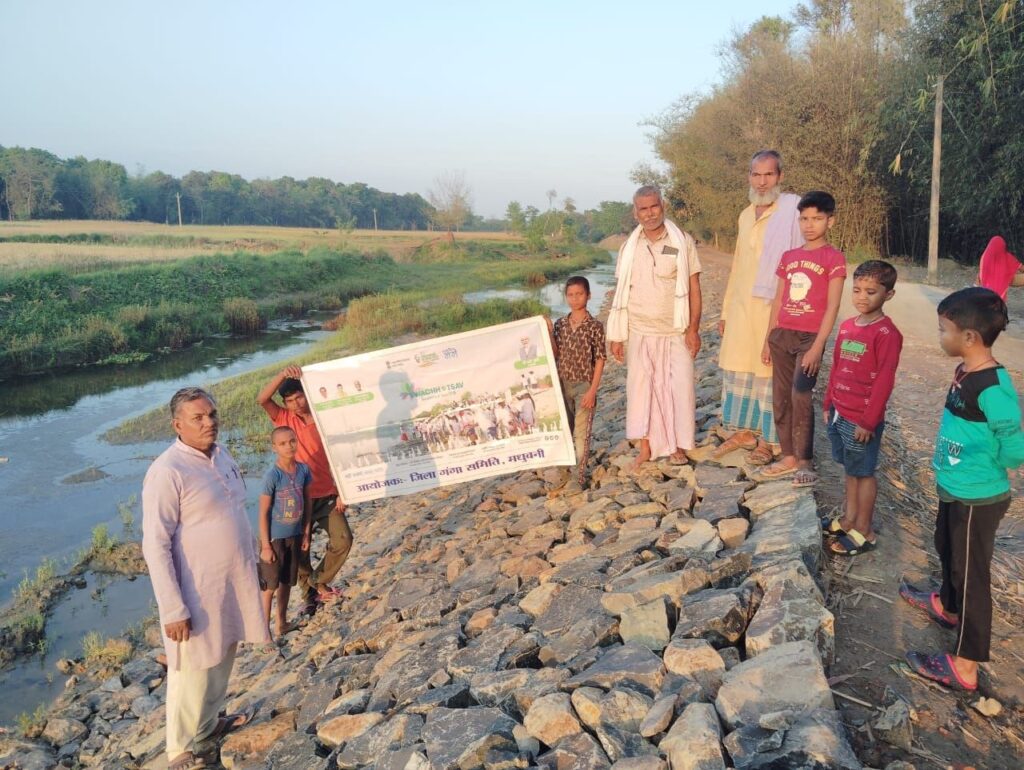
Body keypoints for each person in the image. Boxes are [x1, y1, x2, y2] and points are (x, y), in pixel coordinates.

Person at [901, 287, 1024, 691]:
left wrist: (994, 463)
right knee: (947, 547)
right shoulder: (965, 371)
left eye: (943, 330)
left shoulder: (992, 386)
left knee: (971, 575)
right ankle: (947, 605)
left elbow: (1014, 446)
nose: (939, 336)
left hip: (978, 496)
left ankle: (966, 664)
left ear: (969, 337)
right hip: (953, 486)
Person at [142, 387, 267, 770]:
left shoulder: (222, 454)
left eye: (211, 414)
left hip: (232, 580)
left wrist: (255, 558)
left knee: (223, 653)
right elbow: (155, 545)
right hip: (194, 591)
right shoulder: (167, 471)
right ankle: (178, 748)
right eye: (198, 417)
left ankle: (209, 727)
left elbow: (235, 510)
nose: (209, 422)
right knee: (191, 667)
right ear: (177, 424)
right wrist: (173, 608)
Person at [715, 150, 803, 465]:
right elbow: (738, 264)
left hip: (773, 305)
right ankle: (746, 432)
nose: (762, 181)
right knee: (741, 365)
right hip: (741, 306)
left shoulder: (792, 212)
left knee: (770, 371)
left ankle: (770, 440)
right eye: (756, 175)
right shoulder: (744, 214)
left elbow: (798, 265)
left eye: (768, 175)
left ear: (779, 176)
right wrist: (726, 311)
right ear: (749, 177)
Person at [607, 185, 702, 467]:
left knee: (679, 388)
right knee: (642, 390)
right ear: (635, 213)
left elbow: (694, 288)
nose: (649, 214)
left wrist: (694, 329)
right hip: (639, 330)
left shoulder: (681, 242)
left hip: (675, 329)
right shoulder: (629, 247)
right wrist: (617, 336)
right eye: (643, 209)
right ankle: (646, 446)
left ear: (663, 206)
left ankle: (677, 446)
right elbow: (621, 290)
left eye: (653, 207)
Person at [760, 191, 846, 486]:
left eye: (817, 219)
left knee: (801, 394)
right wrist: (767, 338)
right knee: (781, 397)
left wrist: (818, 346)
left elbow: (833, 305)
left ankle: (805, 460)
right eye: (804, 219)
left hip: (810, 338)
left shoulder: (833, 258)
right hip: (782, 334)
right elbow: (779, 299)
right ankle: (788, 455)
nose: (809, 225)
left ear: (830, 221)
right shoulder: (789, 257)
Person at [821, 261, 903, 555]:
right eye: (856, 290)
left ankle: (865, 531)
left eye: (871, 291)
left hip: (861, 420)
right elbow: (837, 367)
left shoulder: (886, 334)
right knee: (851, 469)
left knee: (864, 472)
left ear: (888, 294)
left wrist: (869, 421)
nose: (862, 297)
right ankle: (849, 518)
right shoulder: (846, 327)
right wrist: (829, 401)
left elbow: (884, 379)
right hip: (840, 413)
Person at [257, 367, 352, 614]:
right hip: (297, 497)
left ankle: (317, 581)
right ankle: (310, 595)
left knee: (343, 539)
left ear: (307, 394)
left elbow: (341, 455)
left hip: (328, 494)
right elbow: (262, 399)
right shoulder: (283, 419)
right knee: (301, 551)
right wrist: (281, 374)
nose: (296, 404)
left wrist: (344, 490)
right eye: (289, 401)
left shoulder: (324, 417)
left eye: (299, 397)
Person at [551, 276, 607, 490]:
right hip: (563, 384)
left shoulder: (594, 326)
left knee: (581, 434)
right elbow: (555, 352)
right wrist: (547, 330)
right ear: (566, 297)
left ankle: (578, 478)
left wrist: (593, 390)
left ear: (588, 295)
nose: (575, 299)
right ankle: (564, 474)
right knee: (565, 430)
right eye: (571, 295)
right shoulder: (561, 324)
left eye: (579, 294)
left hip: (584, 385)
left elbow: (600, 358)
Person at [258, 426, 312, 638]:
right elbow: (262, 513)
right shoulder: (273, 475)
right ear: (274, 448)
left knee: (287, 581)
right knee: (270, 586)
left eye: (292, 441)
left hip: (295, 534)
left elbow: (307, 502)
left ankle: (281, 623)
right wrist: (265, 545)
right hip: (274, 538)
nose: (289, 446)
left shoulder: (303, 470)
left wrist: (306, 532)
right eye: (282, 443)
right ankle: (264, 632)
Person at [977, 235, 1021, 301]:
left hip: (985, 293)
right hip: (1007, 280)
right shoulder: (1006, 256)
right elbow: (1021, 267)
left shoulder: (984, 257)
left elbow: (979, 277)